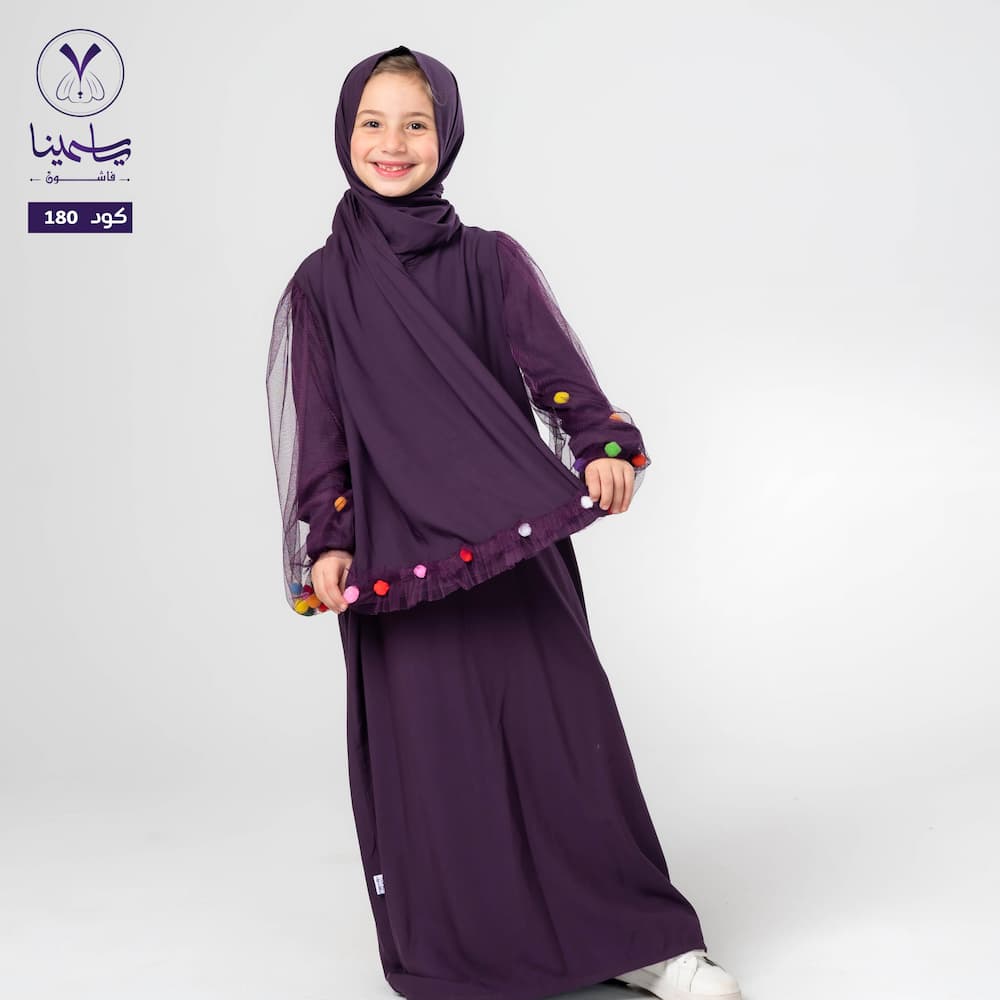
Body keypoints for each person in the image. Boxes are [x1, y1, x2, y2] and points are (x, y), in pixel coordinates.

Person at [266, 44, 742, 1000]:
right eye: (372, 122)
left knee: (563, 738)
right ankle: (468, 953)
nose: (393, 143)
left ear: (446, 136)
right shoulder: (321, 285)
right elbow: (321, 427)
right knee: (438, 761)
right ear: (343, 132)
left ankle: (640, 943)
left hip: (508, 541)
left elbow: (555, 371)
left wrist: (604, 445)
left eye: (416, 123)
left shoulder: (490, 259)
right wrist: (329, 538)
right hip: (399, 560)